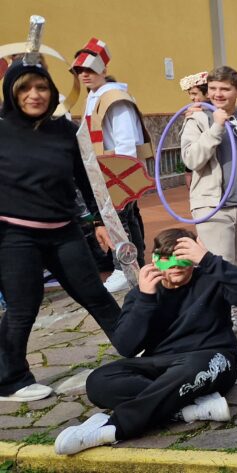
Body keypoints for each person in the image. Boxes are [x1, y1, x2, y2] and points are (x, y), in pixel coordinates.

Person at [53, 228, 237, 455]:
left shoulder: (211, 279)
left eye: (183, 257)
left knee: (193, 368)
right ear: (155, 261)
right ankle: (188, 408)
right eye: (167, 258)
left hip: (212, 360)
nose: (175, 265)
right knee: (98, 381)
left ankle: (114, 427)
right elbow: (126, 347)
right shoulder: (142, 293)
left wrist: (208, 259)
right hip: (161, 366)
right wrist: (145, 299)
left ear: (194, 259)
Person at [0, 60, 121, 403]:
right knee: (24, 307)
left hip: (64, 231)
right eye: (24, 88)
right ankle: (10, 379)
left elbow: (84, 180)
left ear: (52, 92)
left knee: (95, 294)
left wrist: (98, 222)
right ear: (12, 93)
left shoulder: (64, 130)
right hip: (15, 236)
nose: (34, 95)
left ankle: (136, 346)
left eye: (41, 87)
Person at [180, 66, 237, 336]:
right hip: (212, 204)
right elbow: (192, 160)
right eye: (213, 88)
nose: (218, 94)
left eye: (225, 89)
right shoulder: (197, 120)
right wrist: (216, 125)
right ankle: (215, 320)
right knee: (218, 262)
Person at [72, 37, 152, 294]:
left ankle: (124, 267)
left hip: (115, 171)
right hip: (102, 170)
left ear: (103, 70)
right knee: (121, 218)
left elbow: (126, 140)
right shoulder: (95, 97)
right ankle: (134, 265)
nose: (84, 75)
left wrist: (123, 176)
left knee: (121, 219)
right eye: (80, 70)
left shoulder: (114, 97)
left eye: (90, 69)